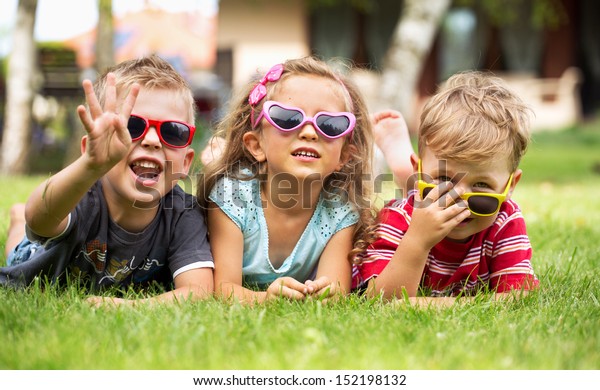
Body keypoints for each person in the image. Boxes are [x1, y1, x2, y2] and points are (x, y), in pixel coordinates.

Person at [1, 55, 214, 306]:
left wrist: (128, 307)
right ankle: (16, 225)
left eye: (173, 132)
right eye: (131, 126)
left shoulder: (182, 213)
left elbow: (198, 291)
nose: (153, 141)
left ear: (186, 163)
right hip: (43, 250)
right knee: (22, 249)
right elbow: (38, 219)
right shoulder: (80, 195)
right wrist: (89, 168)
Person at [198, 56, 375, 304]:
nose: (309, 132)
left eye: (330, 125)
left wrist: (327, 294)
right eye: (288, 118)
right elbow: (223, 289)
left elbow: (335, 289)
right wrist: (265, 299)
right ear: (256, 145)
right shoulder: (231, 197)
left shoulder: (340, 214)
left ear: (344, 156)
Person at [352, 70, 539, 305]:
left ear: (510, 186)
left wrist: (437, 305)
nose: (458, 199)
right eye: (444, 179)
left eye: (481, 185)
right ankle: (403, 168)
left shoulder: (505, 219)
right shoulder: (398, 217)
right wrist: (418, 241)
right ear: (419, 172)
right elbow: (378, 298)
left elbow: (518, 297)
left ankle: (407, 167)